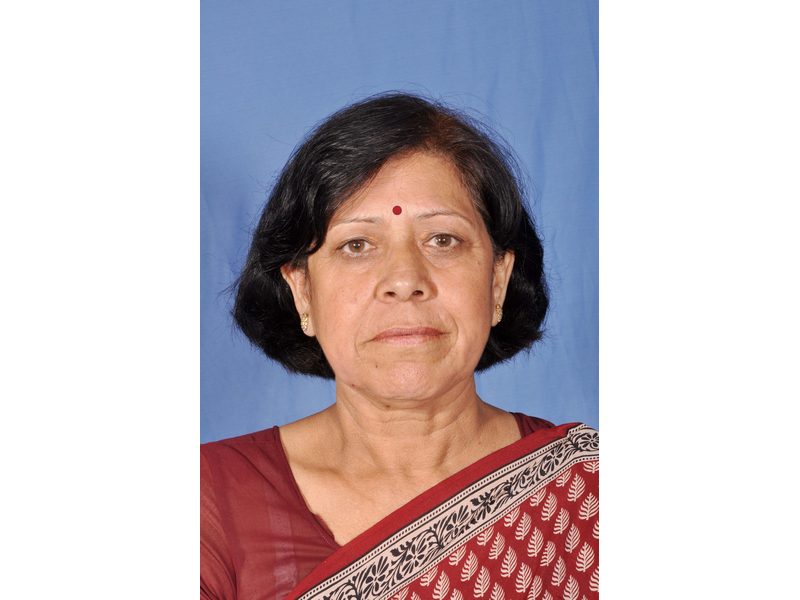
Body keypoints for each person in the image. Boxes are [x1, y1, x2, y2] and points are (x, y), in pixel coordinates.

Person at [201, 93, 599, 600]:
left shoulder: (588, 492)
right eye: (357, 245)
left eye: (443, 240)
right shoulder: (208, 499)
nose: (405, 280)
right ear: (302, 291)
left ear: (497, 281)